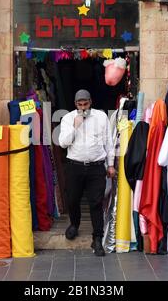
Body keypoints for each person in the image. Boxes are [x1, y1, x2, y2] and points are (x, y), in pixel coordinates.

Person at [58, 89, 115, 256]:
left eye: (86, 104)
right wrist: (76, 126)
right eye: (80, 105)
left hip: (97, 167)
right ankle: (74, 224)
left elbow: (109, 142)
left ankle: (97, 238)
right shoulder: (68, 118)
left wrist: (110, 165)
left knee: (96, 203)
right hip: (75, 166)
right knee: (73, 199)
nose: (83, 108)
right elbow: (63, 143)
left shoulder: (101, 117)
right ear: (75, 105)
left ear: (91, 102)